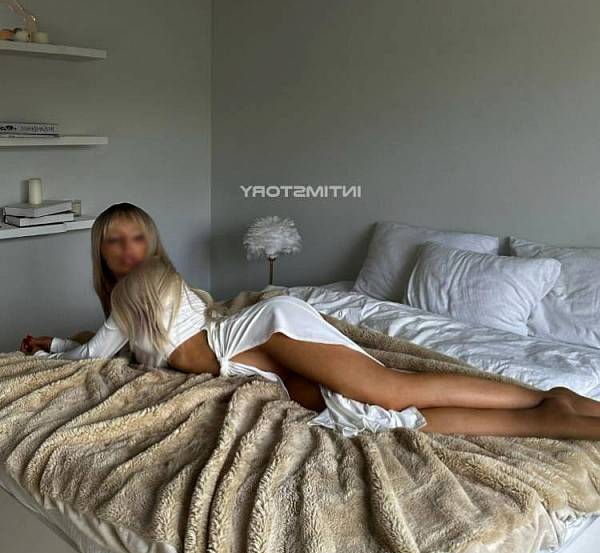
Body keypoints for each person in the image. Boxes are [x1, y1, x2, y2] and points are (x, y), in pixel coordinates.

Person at [19, 202, 600, 440]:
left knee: (391, 391)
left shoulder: (137, 288)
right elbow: (117, 347)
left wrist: (57, 351)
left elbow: (95, 355)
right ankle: (545, 412)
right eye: (115, 241)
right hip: (247, 357)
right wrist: (58, 342)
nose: (127, 249)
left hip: (257, 334)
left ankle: (550, 399)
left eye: (136, 238)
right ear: (101, 249)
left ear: (150, 243)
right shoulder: (138, 295)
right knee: (365, 417)